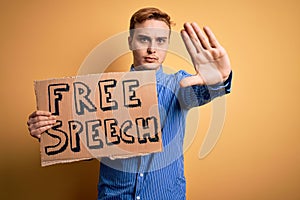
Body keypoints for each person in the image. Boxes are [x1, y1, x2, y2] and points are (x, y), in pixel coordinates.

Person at [27, 7, 232, 200]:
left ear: (167, 44)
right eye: (144, 39)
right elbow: (86, 145)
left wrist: (219, 79)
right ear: (130, 42)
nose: (152, 49)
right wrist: (50, 131)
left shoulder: (179, 86)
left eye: (160, 41)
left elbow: (206, 91)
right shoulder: (100, 92)